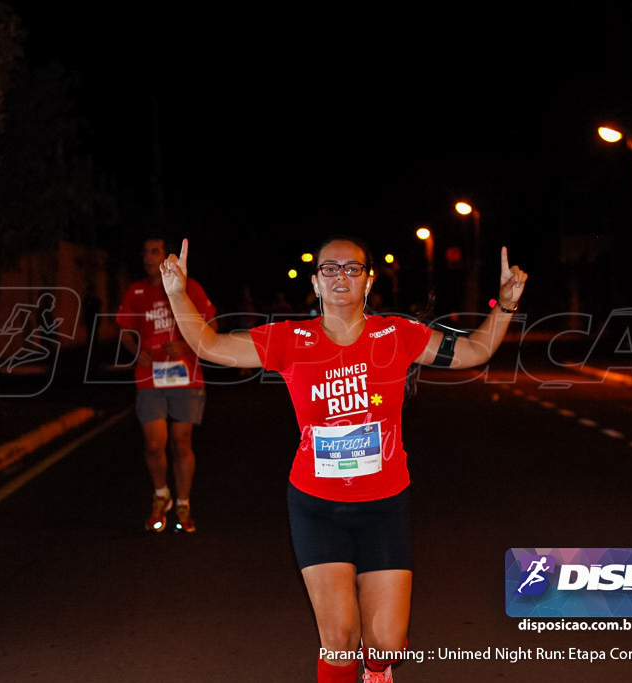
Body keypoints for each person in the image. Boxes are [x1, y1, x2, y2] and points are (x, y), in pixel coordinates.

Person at [161, 235, 527, 682]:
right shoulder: (289, 339)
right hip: (317, 506)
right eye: (329, 269)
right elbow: (210, 346)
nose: (341, 276)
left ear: (368, 281)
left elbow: (475, 350)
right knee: (338, 637)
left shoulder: (397, 334)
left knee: (387, 642)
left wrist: (505, 306)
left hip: (384, 506)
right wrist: (177, 295)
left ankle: (377, 670)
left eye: (352, 268)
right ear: (315, 282)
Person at [116, 236, 217, 533]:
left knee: (181, 442)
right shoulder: (135, 291)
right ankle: (161, 495)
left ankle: (183, 503)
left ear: (167, 256)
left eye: (155, 251)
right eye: (145, 252)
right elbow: (124, 332)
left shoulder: (190, 286)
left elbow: (212, 326)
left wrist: (186, 346)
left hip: (186, 377)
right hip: (150, 377)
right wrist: (138, 351)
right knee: (153, 443)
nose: (149, 257)